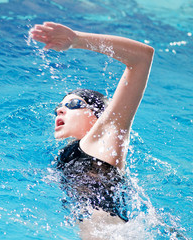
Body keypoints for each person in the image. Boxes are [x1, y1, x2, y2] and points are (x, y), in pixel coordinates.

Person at [29, 22, 154, 238]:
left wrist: (76, 39)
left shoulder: (104, 137)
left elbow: (142, 57)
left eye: (73, 105)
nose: (60, 111)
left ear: (99, 115)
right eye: (58, 107)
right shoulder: (79, 152)